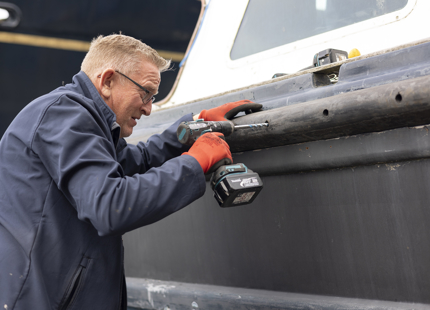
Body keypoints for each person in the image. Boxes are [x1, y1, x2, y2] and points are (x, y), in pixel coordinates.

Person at [0, 34, 262, 310]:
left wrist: (192, 125)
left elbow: (137, 160)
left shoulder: (84, 120)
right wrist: (196, 162)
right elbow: (110, 205)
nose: (148, 108)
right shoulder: (65, 114)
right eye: (145, 93)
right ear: (108, 81)